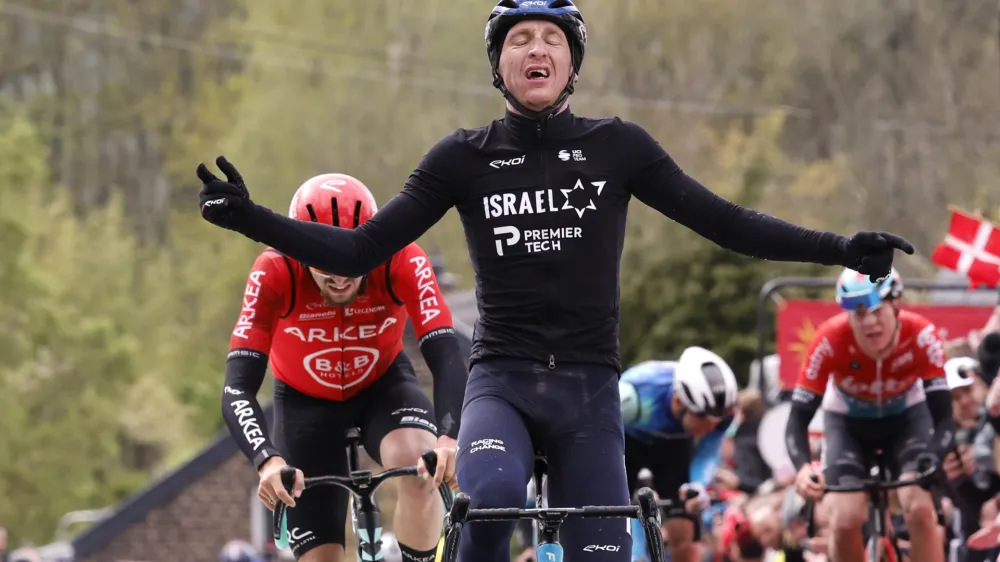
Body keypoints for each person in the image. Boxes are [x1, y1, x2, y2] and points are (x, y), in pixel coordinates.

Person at [196, 1, 913, 559]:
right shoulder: (461, 157)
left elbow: (729, 224)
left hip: (588, 386)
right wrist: (254, 219)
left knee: (603, 547)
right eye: (518, 39)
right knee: (491, 504)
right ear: (498, 65)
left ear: (572, 62)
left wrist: (844, 248)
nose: (535, 49)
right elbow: (360, 249)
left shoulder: (619, 147)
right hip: (501, 381)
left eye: (551, 39)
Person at [219, 174, 467, 562]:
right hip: (304, 402)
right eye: (323, 264)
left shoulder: (402, 257)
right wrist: (267, 460)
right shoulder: (274, 270)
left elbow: (447, 353)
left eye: (352, 264)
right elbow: (237, 387)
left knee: (421, 467)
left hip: (383, 387)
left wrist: (448, 438)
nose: (338, 278)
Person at [785, 267, 953, 562]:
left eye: (877, 311)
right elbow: (797, 420)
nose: (869, 323)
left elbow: (945, 418)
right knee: (844, 518)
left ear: (896, 305)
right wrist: (802, 468)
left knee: (919, 508)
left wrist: (934, 455)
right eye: (859, 314)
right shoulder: (829, 339)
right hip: (849, 425)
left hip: (906, 421)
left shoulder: (922, 334)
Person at [618, 346, 738, 562]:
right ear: (678, 401)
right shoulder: (632, 397)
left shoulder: (723, 412)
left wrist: (698, 485)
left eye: (716, 423)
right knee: (616, 521)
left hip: (673, 449)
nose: (710, 428)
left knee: (684, 533)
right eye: (704, 420)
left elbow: (707, 453)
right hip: (627, 444)